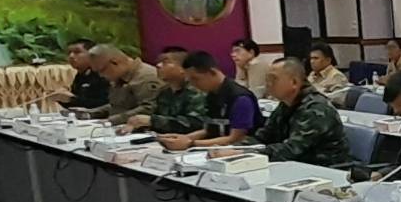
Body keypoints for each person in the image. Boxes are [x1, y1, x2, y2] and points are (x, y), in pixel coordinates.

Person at [221, 58, 351, 167]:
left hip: (325, 170)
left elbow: (291, 150)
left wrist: (244, 153)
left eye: (273, 79)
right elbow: (263, 137)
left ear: (294, 82)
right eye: (267, 79)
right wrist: (234, 148)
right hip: (296, 166)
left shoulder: (316, 108)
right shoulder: (286, 104)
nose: (268, 84)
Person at [157, 51, 264, 150]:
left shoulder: (240, 98)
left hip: (241, 151)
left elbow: (235, 139)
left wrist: (191, 143)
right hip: (215, 148)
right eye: (189, 80)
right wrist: (184, 138)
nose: (193, 84)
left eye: (195, 79)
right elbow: (209, 130)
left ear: (212, 72)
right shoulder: (211, 94)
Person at [77, 45, 163, 126]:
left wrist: (112, 120)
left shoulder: (146, 76)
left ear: (115, 62)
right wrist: (91, 112)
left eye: (102, 70)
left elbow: (148, 108)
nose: (101, 75)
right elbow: (117, 106)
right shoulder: (120, 77)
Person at [126, 49, 206, 134]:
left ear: (182, 68)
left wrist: (152, 121)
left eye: (165, 62)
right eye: (158, 62)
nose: (158, 65)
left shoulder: (197, 91)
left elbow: (195, 123)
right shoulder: (164, 92)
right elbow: (157, 118)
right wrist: (139, 125)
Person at [47, 38, 109, 110]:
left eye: (77, 52)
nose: (71, 56)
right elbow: (77, 104)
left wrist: (72, 99)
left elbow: (106, 104)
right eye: (69, 53)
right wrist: (60, 98)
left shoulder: (104, 74)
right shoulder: (80, 75)